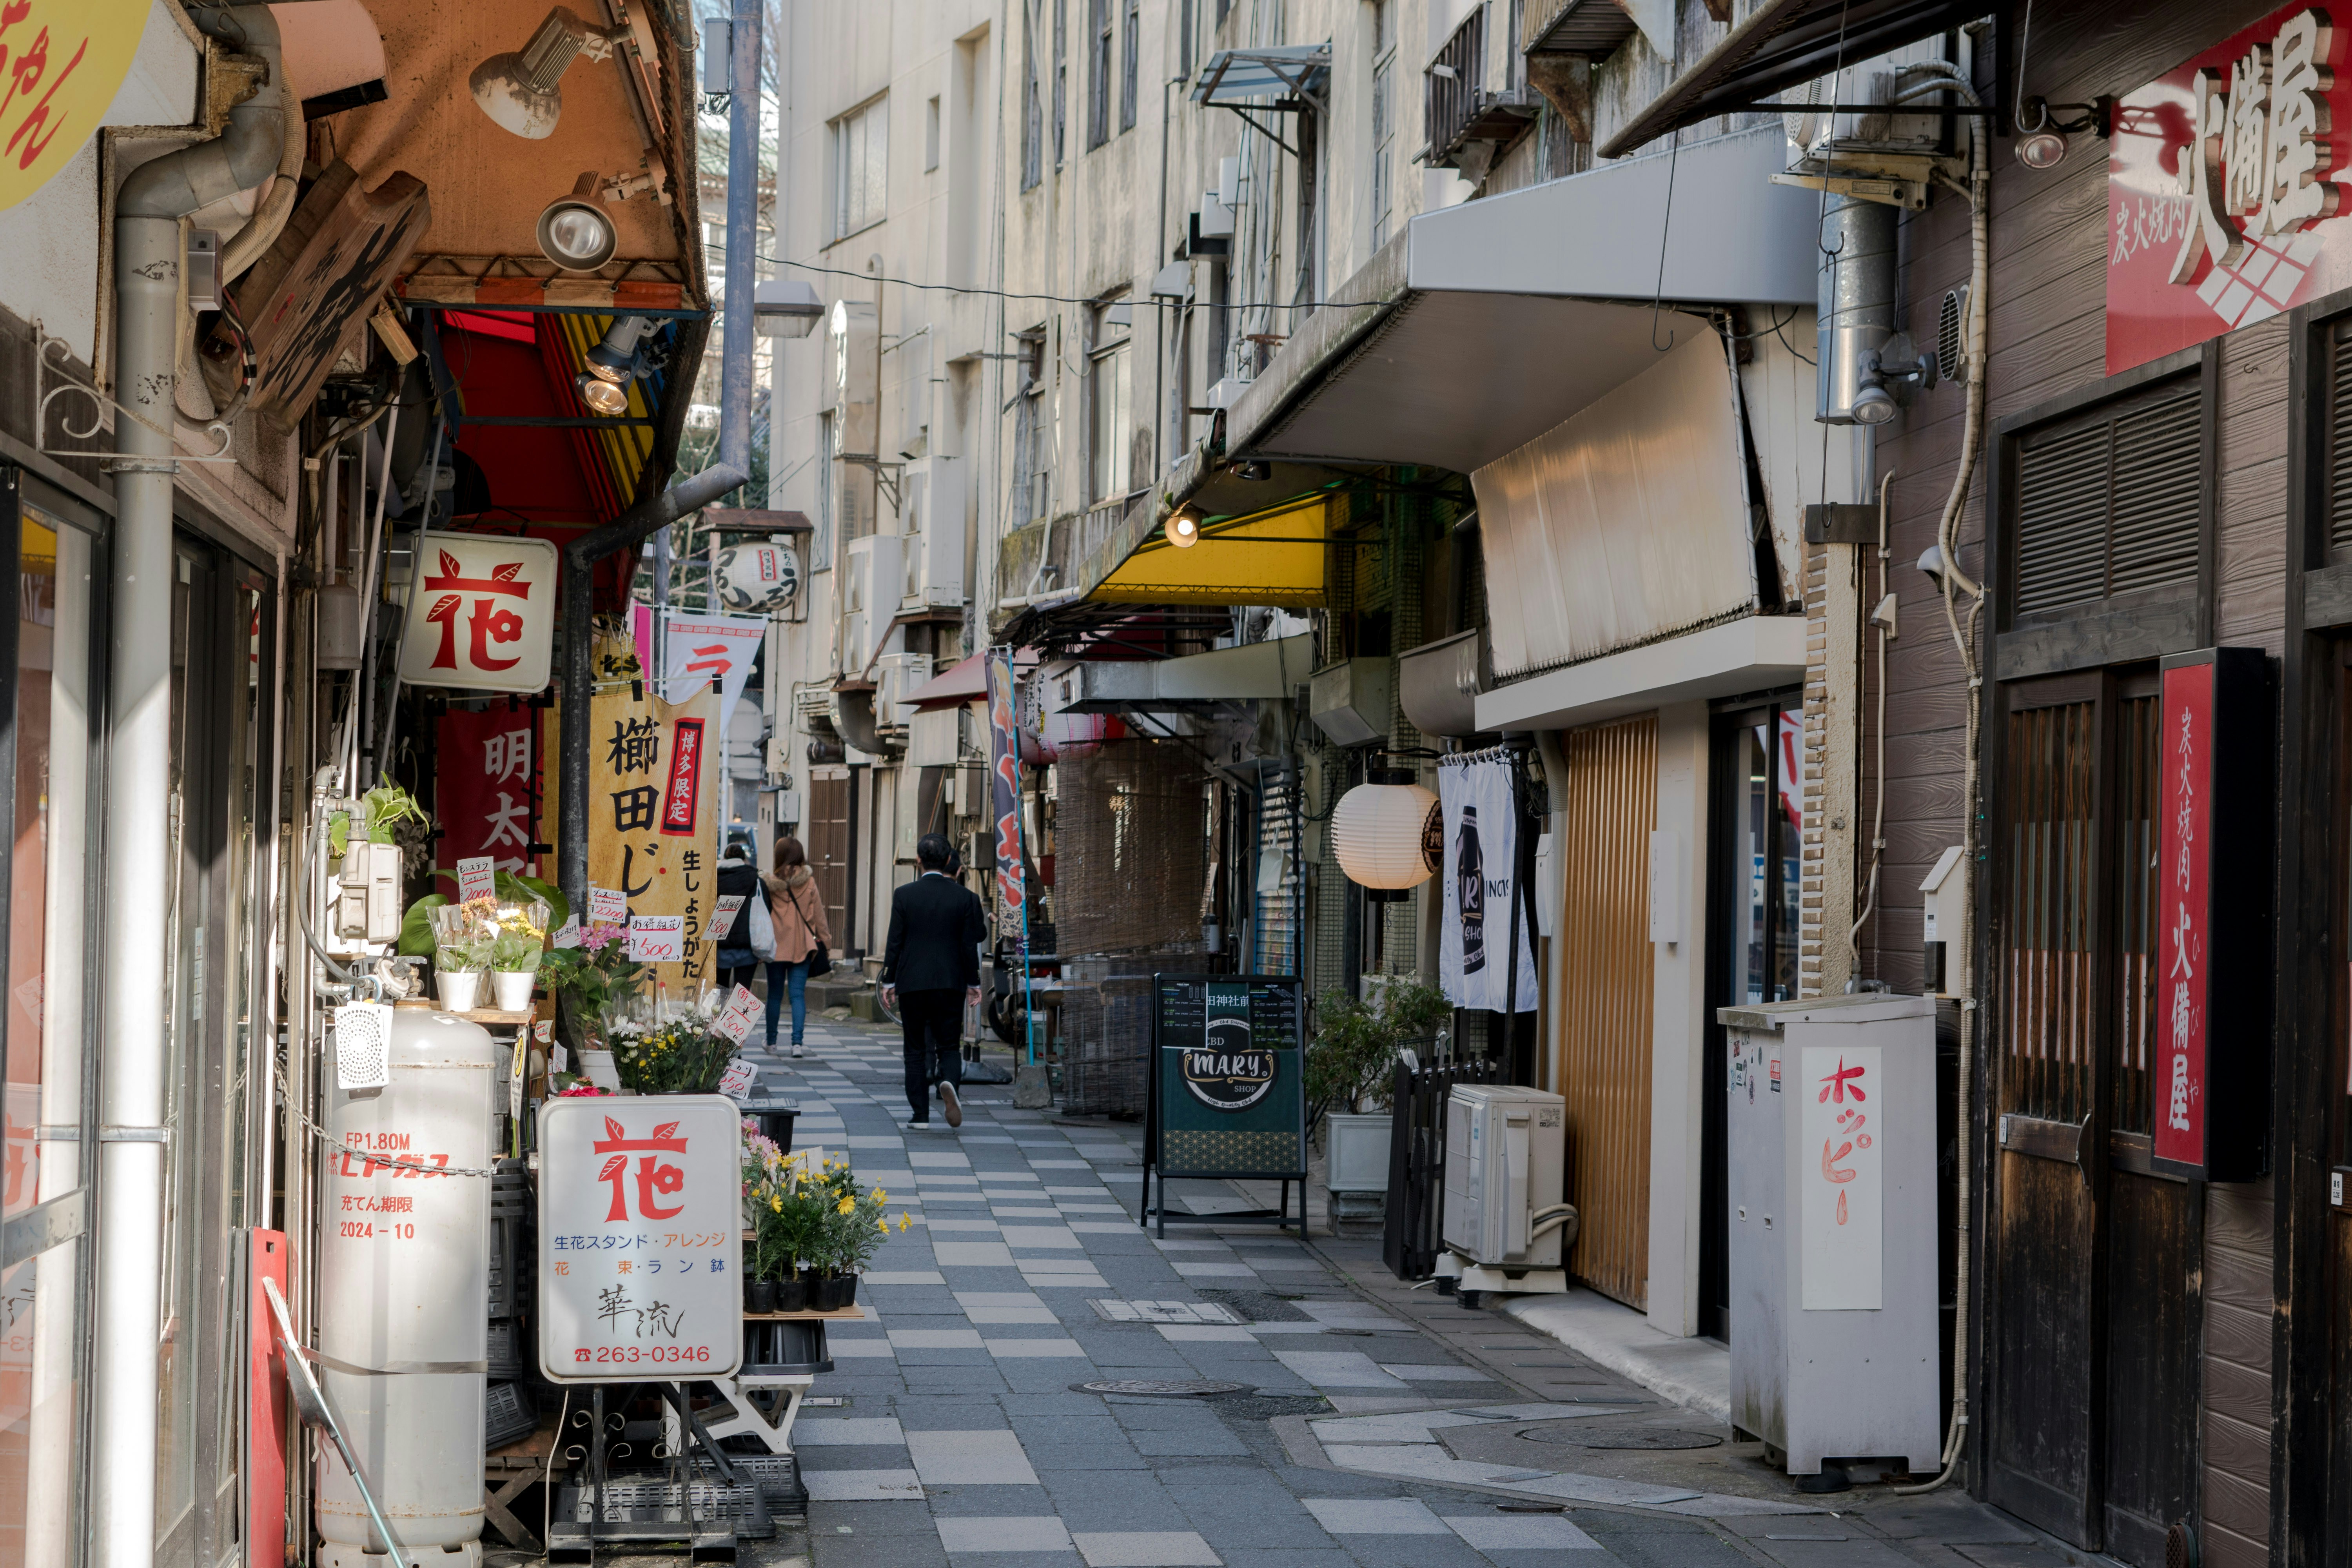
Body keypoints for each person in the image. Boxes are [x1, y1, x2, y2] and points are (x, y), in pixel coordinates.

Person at [881, 832, 985, 1129]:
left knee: (914, 1049)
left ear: (918, 860)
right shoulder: (966, 898)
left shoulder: (904, 895)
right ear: (949, 859)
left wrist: (889, 981)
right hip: (951, 982)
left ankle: (920, 1116)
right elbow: (968, 946)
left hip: (912, 982)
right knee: (949, 1046)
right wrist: (974, 982)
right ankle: (949, 1081)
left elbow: (895, 942)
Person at [762, 836, 832, 1057]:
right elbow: (819, 915)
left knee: (774, 995)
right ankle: (797, 1044)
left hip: (775, 946)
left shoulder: (768, 883)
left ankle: (772, 1043)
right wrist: (826, 942)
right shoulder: (808, 882)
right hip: (803, 945)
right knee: (797, 995)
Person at [712, 840, 770, 993]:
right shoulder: (757, 880)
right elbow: (766, 909)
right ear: (744, 859)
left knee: (720, 993)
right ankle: (738, 1019)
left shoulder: (714, 879)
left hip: (720, 948)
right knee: (742, 995)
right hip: (747, 949)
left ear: (724, 858)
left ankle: (718, 1018)